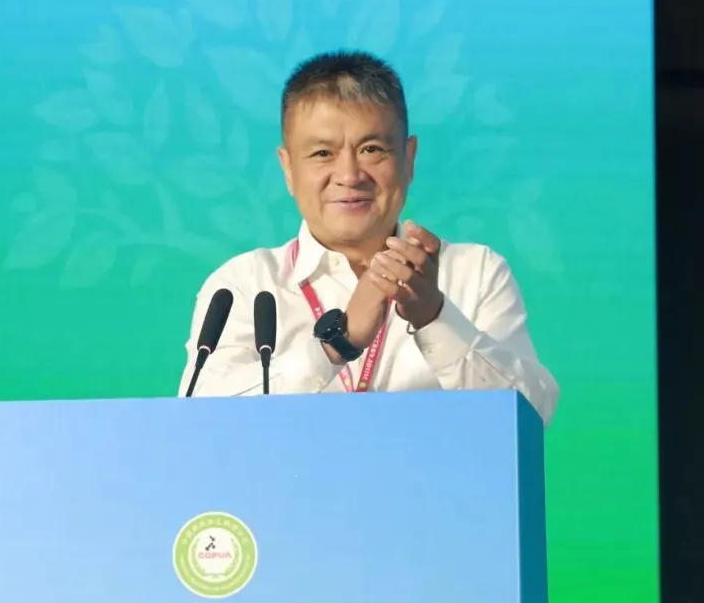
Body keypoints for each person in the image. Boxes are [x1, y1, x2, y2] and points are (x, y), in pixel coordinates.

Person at [178, 51, 559, 424]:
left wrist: (434, 316)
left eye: (371, 149)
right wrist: (334, 346)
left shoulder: (474, 272)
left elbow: (531, 415)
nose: (349, 175)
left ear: (408, 158)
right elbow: (197, 424)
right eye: (322, 153)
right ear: (288, 168)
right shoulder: (243, 287)